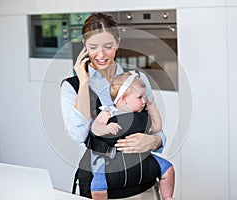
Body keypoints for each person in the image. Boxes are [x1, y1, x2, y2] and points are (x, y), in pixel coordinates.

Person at [60, 12, 175, 199]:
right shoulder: (72, 87)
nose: (101, 54)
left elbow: (154, 127)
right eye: (93, 47)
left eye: (108, 46)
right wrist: (83, 82)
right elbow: (79, 135)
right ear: (84, 46)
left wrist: (156, 141)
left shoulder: (137, 79)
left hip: (141, 182)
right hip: (102, 185)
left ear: (118, 43)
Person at [90, 71, 174, 200]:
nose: (144, 101)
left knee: (168, 169)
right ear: (124, 98)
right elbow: (95, 128)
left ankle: (167, 197)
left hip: (144, 158)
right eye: (140, 97)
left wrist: (152, 108)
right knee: (97, 186)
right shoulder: (109, 112)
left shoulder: (143, 115)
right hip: (116, 160)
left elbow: (157, 127)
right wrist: (106, 127)